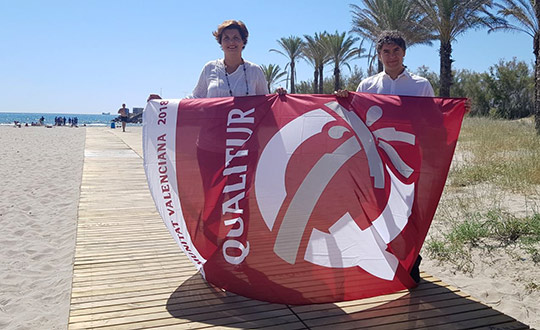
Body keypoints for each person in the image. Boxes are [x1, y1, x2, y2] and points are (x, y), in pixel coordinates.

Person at [336, 30, 434, 284]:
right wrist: (345, 101)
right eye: (386, 52)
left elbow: (433, 120)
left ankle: (412, 264)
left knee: (411, 211)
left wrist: (459, 111)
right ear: (379, 55)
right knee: (381, 209)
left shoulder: (420, 85)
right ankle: (384, 260)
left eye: (396, 51)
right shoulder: (367, 86)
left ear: (404, 53)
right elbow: (354, 118)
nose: (391, 56)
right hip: (376, 159)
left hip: (409, 159)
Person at [148, 19, 284, 102]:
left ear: (243, 41)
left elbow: (266, 104)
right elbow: (194, 100)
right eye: (226, 38)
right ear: (220, 43)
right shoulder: (210, 68)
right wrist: (164, 103)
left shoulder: (255, 70)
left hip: (245, 138)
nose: (231, 42)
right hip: (212, 138)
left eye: (236, 37)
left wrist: (279, 97)